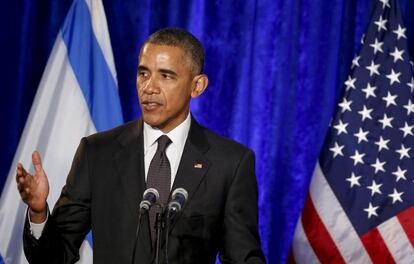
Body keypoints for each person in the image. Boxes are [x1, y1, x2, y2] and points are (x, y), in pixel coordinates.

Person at [17, 28, 265, 264]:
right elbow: (54, 258)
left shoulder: (230, 163)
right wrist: (39, 212)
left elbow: (243, 258)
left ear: (196, 86)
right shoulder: (97, 153)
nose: (149, 88)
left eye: (166, 76)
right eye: (143, 73)